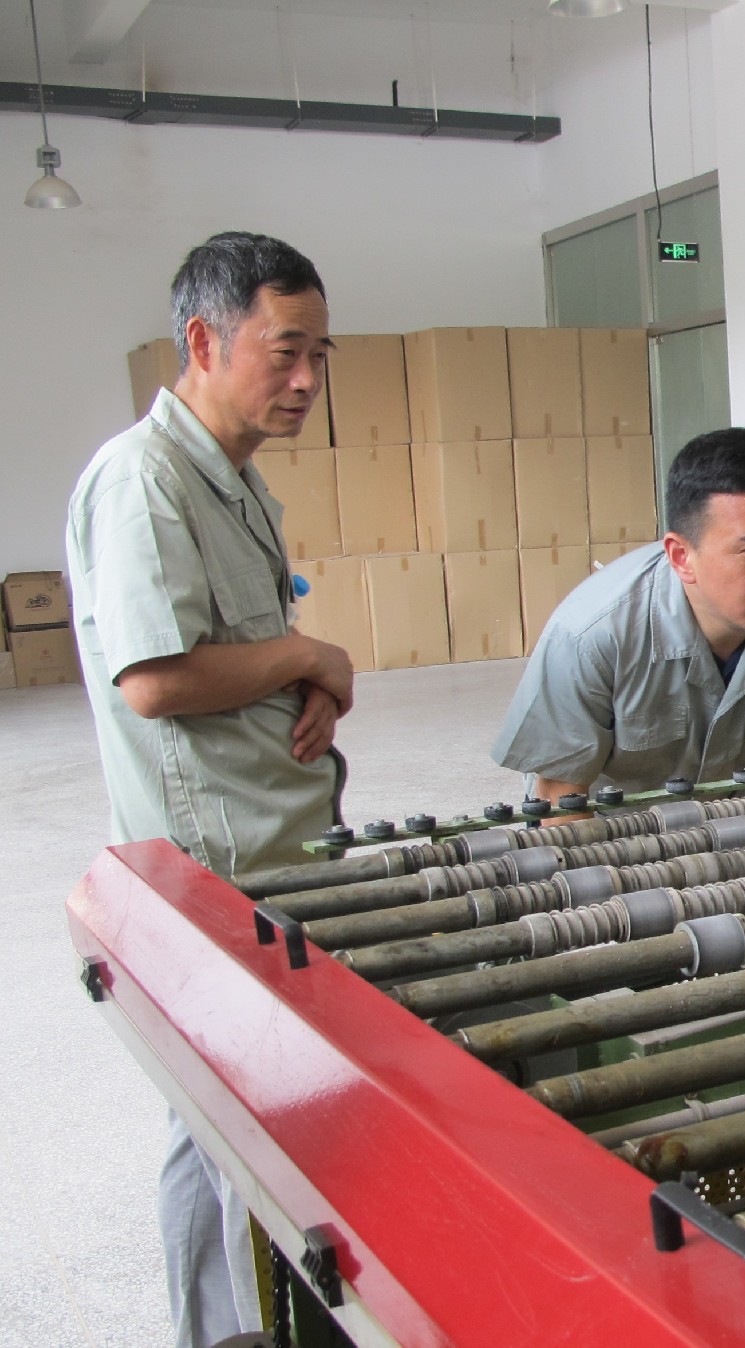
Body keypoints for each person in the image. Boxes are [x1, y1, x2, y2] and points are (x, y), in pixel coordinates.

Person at [67, 232, 352, 1347]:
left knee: (219, 1119)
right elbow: (154, 680)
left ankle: (219, 1328)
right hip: (218, 865)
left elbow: (241, 649)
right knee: (235, 1121)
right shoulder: (145, 480)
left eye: (320, 356)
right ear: (203, 339)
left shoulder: (234, 481)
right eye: (286, 352)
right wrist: (307, 656)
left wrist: (305, 684)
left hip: (273, 833)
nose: (307, 380)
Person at [494, 428, 745, 797]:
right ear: (681, 556)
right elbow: (560, 797)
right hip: (611, 825)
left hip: (737, 817)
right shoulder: (592, 635)